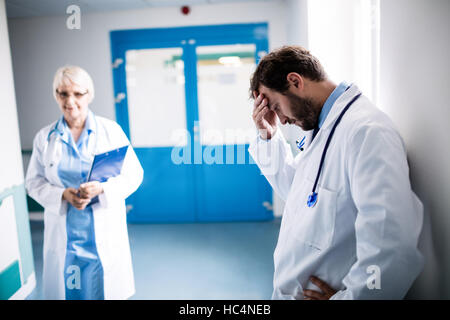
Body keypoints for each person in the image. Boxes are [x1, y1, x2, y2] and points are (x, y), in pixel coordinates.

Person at [248, 46, 424, 299]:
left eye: (276, 106)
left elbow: (391, 246)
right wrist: (268, 135)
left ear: (295, 81)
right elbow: (297, 193)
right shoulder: (321, 129)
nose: (282, 121)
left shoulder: (366, 132)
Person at [25, 66, 144, 300]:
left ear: (89, 95)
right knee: (70, 292)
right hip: (65, 236)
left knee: (103, 289)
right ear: (55, 95)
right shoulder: (44, 138)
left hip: (102, 232)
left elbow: (134, 174)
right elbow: (33, 182)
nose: (70, 101)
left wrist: (103, 188)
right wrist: (62, 194)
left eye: (78, 94)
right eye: (63, 93)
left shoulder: (111, 131)